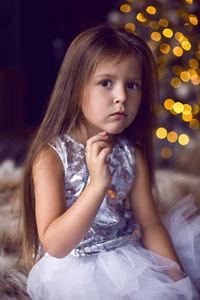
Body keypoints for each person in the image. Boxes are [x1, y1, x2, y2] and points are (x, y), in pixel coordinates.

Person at [21, 23, 200, 299]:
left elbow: (150, 224)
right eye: (106, 83)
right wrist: (96, 186)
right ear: (75, 88)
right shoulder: (51, 158)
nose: (122, 97)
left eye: (132, 85)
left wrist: (179, 281)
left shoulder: (131, 154)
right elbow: (55, 245)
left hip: (128, 254)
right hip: (76, 269)